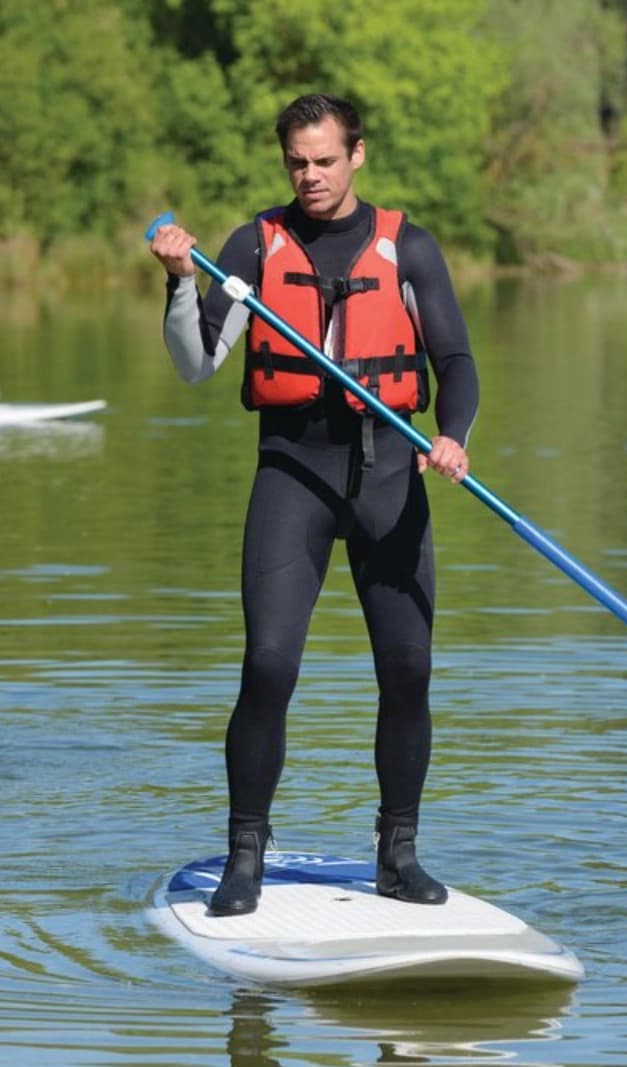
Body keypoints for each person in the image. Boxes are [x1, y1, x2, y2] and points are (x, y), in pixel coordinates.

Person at [149, 94, 481, 916]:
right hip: (293, 473)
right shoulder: (251, 248)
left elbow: (457, 359)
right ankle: (245, 856)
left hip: (393, 475)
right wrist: (181, 282)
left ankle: (397, 855)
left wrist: (454, 433)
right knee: (268, 666)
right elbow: (196, 366)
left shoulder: (409, 247)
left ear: (357, 156)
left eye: (325, 160)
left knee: (408, 670)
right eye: (297, 161)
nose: (311, 176)